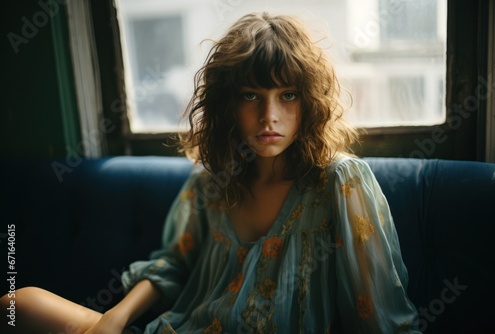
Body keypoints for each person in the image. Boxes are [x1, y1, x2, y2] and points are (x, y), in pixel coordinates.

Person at [1, 12, 421, 333]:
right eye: (250, 95)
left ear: (309, 101)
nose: (268, 116)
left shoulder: (339, 181)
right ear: (227, 105)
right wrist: (112, 319)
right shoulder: (212, 182)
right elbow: (172, 267)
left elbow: (378, 315)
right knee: (18, 305)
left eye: (287, 95)